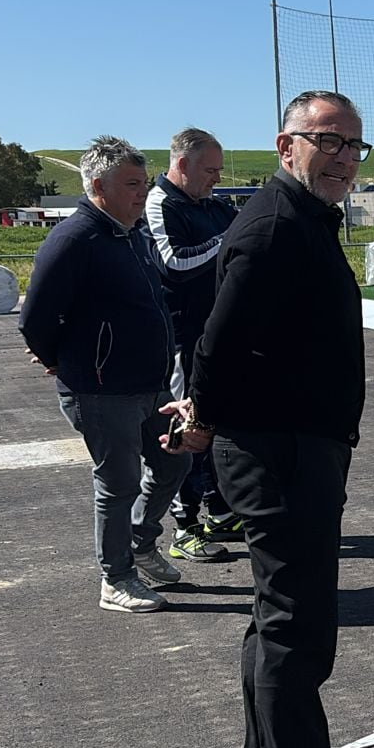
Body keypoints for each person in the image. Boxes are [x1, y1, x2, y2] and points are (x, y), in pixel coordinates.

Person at [166, 90, 374, 748]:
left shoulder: (299, 220)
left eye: (352, 146)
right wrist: (201, 416)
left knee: (274, 623)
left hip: (294, 444)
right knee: (299, 627)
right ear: (286, 144)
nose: (342, 158)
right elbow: (218, 340)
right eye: (327, 141)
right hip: (282, 450)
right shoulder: (273, 227)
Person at [18, 136, 192, 613]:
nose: (143, 192)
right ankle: (115, 578)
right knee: (118, 483)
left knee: (175, 460)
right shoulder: (75, 239)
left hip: (151, 384)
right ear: (98, 186)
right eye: (132, 184)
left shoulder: (132, 234)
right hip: (100, 389)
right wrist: (60, 360)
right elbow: (35, 317)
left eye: (144, 182)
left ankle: (140, 543)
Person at [145, 128, 240, 563]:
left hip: (220, 334)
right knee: (189, 424)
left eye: (220, 171)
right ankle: (184, 527)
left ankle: (219, 511)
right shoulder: (160, 201)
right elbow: (176, 263)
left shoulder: (214, 205)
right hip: (184, 337)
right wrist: (227, 241)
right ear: (182, 165)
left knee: (222, 420)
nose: (216, 179)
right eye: (210, 170)